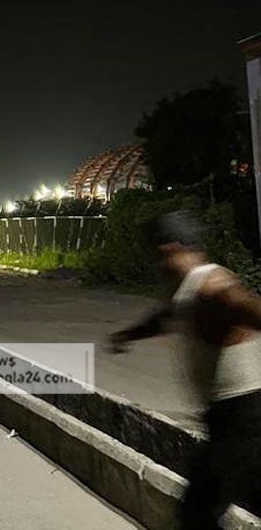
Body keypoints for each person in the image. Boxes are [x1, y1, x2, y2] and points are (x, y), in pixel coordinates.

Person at [106, 211, 261, 528]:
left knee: (197, 513)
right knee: (202, 511)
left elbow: (247, 307)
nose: (157, 267)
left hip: (243, 419)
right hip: (228, 419)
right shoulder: (186, 290)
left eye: (157, 257)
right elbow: (163, 318)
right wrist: (127, 335)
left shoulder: (212, 288)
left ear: (170, 250)